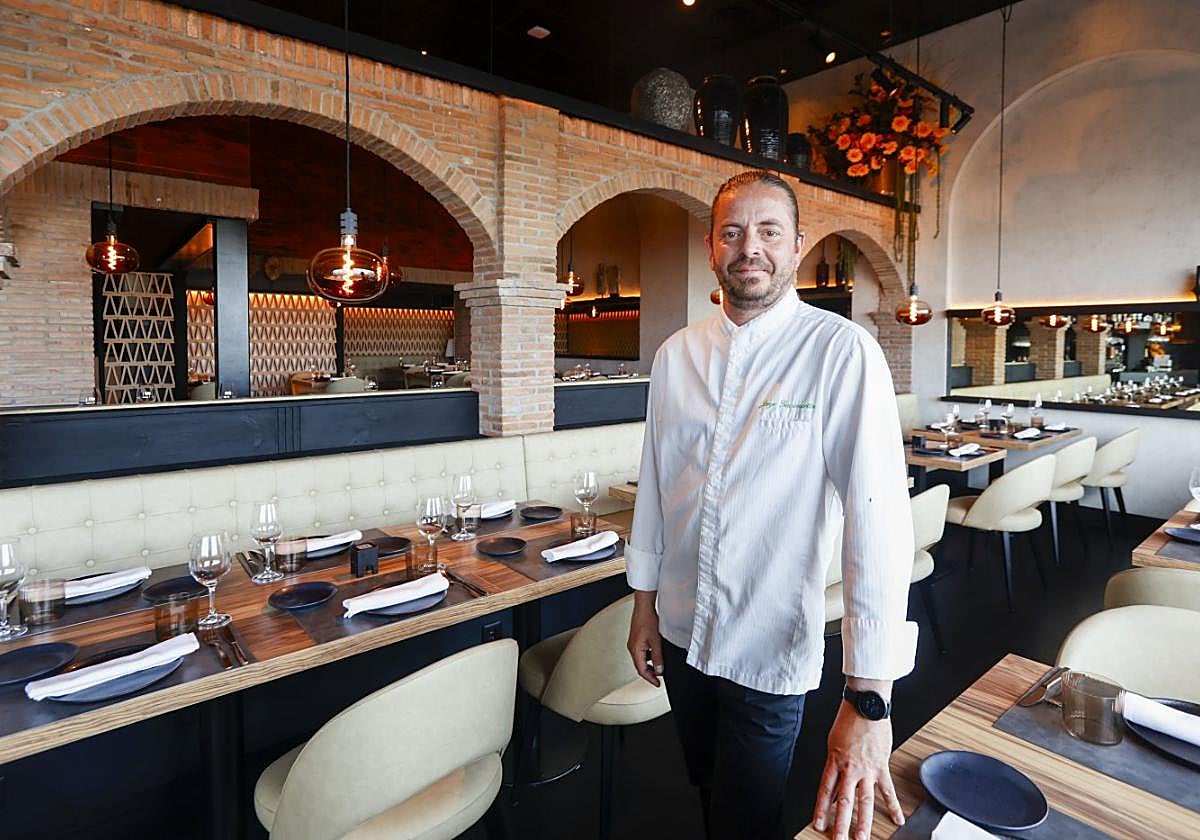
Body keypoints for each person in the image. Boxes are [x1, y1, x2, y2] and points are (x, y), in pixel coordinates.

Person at [625, 170, 916, 840]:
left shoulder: (841, 352)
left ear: (797, 247)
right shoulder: (676, 355)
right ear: (711, 248)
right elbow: (657, 486)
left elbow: (878, 524)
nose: (747, 246)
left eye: (767, 231)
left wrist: (869, 696)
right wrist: (643, 603)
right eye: (732, 232)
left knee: (746, 821)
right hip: (679, 630)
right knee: (703, 789)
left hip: (768, 645)